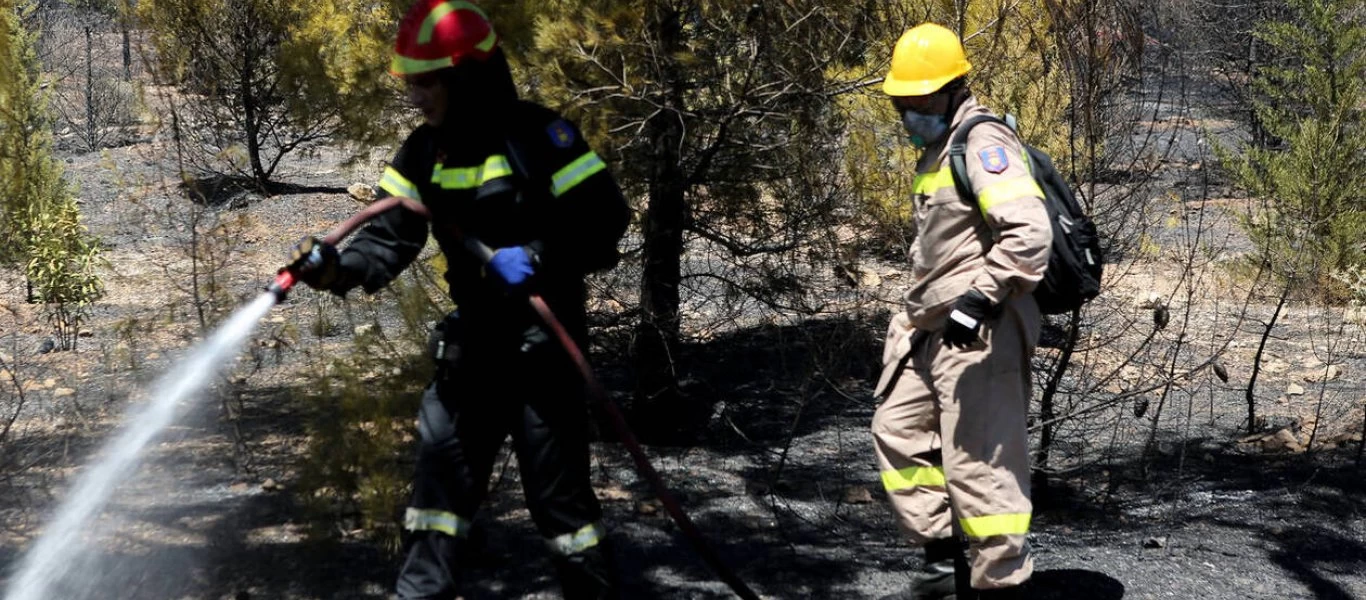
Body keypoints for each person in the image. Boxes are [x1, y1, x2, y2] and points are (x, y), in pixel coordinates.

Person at [285, 1, 630, 598]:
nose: (415, 96)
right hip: (473, 350)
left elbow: (605, 218)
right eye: (410, 83)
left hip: (543, 352)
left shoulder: (540, 137)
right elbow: (388, 238)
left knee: (561, 507)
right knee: (437, 500)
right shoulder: (423, 153)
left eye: (426, 81)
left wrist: (541, 256)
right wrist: (334, 267)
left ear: (464, 76)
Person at [870, 22, 1053, 600]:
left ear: (952, 89)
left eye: (917, 99)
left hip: (982, 329)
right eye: (902, 101)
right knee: (897, 434)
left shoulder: (984, 143)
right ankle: (941, 570)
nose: (908, 110)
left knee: (980, 464)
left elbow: (1029, 234)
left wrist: (978, 301)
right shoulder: (939, 148)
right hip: (931, 330)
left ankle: (1001, 585)